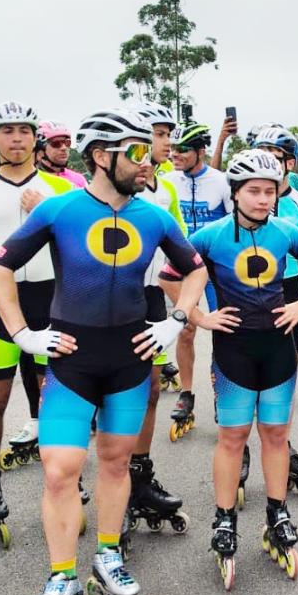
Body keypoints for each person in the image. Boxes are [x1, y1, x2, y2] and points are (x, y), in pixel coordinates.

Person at [0, 108, 208, 595]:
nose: (147, 160)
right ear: (100, 156)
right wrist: (21, 334)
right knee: (60, 468)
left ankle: (108, 554)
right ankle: (61, 578)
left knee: (115, 462)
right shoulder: (62, 208)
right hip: (72, 355)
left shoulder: (154, 216)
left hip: (131, 354)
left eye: (146, 151)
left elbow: (197, 269)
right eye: (134, 152)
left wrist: (178, 318)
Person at [163, 149, 298, 591]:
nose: (262, 199)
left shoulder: (286, 231)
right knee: (233, 437)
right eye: (253, 190)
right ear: (235, 193)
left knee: (275, 434)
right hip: (232, 348)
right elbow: (168, 275)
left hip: (277, 348)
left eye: (269, 191)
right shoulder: (210, 236)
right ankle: (224, 519)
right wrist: (197, 317)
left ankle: (277, 513)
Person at [0, 102, 71, 540]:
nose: (17, 139)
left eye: (24, 131)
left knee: (55, 398)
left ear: (34, 138)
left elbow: (75, 246)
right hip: (1, 302)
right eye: (6, 131)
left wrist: (48, 209)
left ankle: (65, 478)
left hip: (51, 300)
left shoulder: (60, 189)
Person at [122, 102, 187, 542]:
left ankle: (139, 476)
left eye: (168, 135)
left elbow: (186, 247)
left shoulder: (164, 191)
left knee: (149, 393)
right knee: (112, 396)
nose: (168, 143)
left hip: (150, 297)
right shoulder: (114, 186)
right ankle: (114, 480)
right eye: (161, 135)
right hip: (109, 300)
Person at [253, 125, 298, 496]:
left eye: (275, 156)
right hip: (248, 291)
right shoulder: (243, 198)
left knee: (285, 373)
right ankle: (246, 443)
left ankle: (282, 442)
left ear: (289, 162)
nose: (267, 163)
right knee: (242, 370)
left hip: (290, 289)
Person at [164, 122, 232, 436]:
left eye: (183, 149)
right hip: (181, 268)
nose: (175, 154)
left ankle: (224, 391)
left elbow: (235, 224)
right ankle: (187, 393)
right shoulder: (167, 182)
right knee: (186, 327)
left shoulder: (221, 181)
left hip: (215, 267)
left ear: (200, 151)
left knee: (223, 329)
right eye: (173, 148)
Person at [35, 121, 87, 188]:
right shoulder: (33, 180)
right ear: (41, 150)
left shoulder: (79, 180)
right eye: (56, 144)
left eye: (67, 143)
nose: (64, 148)